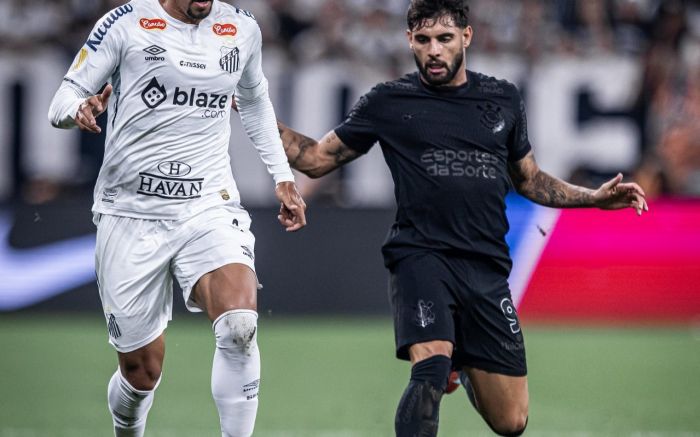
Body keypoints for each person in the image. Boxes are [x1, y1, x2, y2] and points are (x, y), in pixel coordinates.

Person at [276, 0, 648, 435]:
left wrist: (593, 197)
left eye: (445, 39)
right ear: (409, 40)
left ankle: (464, 363)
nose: (434, 50)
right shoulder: (389, 102)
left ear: (466, 38)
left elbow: (528, 180)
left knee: (512, 421)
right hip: (421, 256)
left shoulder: (502, 99)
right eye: (424, 40)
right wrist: (256, 111)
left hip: (486, 268)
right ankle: (446, 359)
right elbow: (317, 159)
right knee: (430, 366)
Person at [48, 0, 306, 436]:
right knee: (141, 373)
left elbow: (255, 100)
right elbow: (62, 99)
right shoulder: (125, 24)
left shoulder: (240, 28)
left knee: (240, 325)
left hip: (207, 202)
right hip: (130, 212)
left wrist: (282, 176)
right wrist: (78, 111)